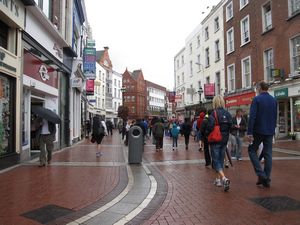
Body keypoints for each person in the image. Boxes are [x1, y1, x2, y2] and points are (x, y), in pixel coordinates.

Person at [247, 81, 277, 188]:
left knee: (251, 150)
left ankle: (261, 174)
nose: (257, 90)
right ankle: (266, 179)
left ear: (259, 88)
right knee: (268, 154)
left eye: (257, 88)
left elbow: (252, 117)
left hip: (258, 130)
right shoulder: (274, 100)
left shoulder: (257, 99)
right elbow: (275, 116)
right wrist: (273, 130)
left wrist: (250, 132)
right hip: (270, 131)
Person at [207, 95, 232, 191]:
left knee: (216, 160)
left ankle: (224, 178)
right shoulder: (227, 113)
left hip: (216, 139)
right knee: (221, 160)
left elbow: (210, 127)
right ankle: (218, 180)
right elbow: (231, 125)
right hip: (224, 140)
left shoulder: (214, 113)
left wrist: (206, 134)